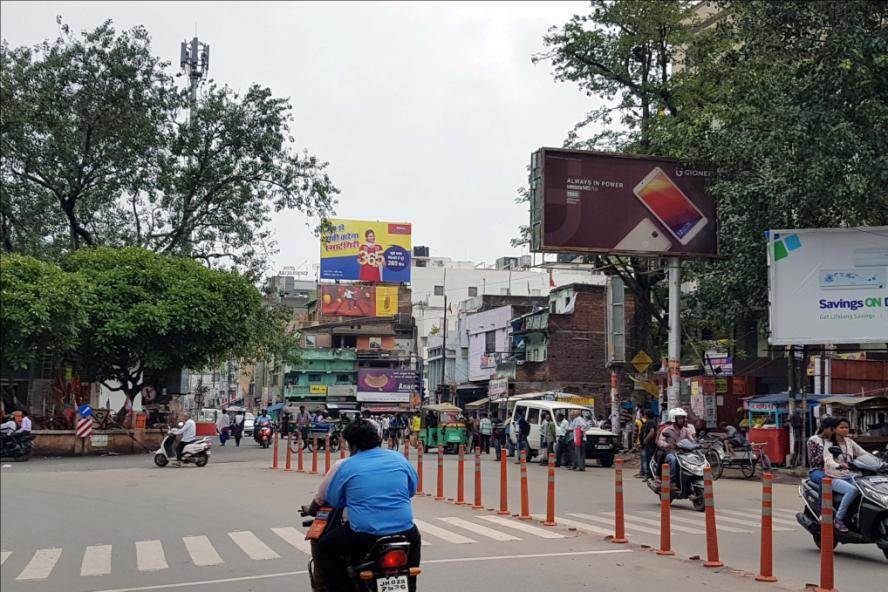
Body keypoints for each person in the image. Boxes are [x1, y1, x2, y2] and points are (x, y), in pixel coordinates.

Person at [314, 420, 421, 591]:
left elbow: (334, 500)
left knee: (324, 547)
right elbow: (411, 489)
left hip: (363, 534)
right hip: (404, 529)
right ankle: (410, 585)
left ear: (353, 445)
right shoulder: (399, 458)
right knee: (415, 541)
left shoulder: (347, 465)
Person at [826, 417, 868, 532]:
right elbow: (828, 460)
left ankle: (857, 517)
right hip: (833, 477)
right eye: (842, 427)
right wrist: (838, 465)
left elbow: (862, 453)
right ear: (834, 429)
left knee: (866, 488)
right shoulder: (829, 443)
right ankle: (838, 519)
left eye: (847, 427)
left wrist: (878, 462)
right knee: (852, 490)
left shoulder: (849, 442)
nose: (845, 430)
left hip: (849, 475)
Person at [656, 408, 695, 490]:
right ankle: (672, 482)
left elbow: (692, 440)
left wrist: (697, 445)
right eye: (680, 418)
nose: (683, 420)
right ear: (674, 419)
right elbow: (660, 441)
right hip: (671, 452)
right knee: (673, 460)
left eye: (683, 418)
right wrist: (667, 445)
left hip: (683, 453)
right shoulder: (667, 430)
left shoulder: (686, 430)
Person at [807, 416, 839, 485]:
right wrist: (826, 453)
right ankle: (822, 496)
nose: (834, 432)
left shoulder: (835, 441)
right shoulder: (813, 440)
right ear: (825, 428)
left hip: (834, 470)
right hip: (817, 470)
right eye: (832, 429)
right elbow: (812, 461)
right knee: (826, 481)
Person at [635, 410, 657, 479]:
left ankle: (649, 475)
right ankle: (648, 475)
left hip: (650, 444)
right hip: (649, 444)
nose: (644, 416)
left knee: (648, 459)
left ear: (646, 415)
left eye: (645, 414)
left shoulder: (650, 422)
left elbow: (652, 431)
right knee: (647, 459)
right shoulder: (651, 421)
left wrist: (645, 440)